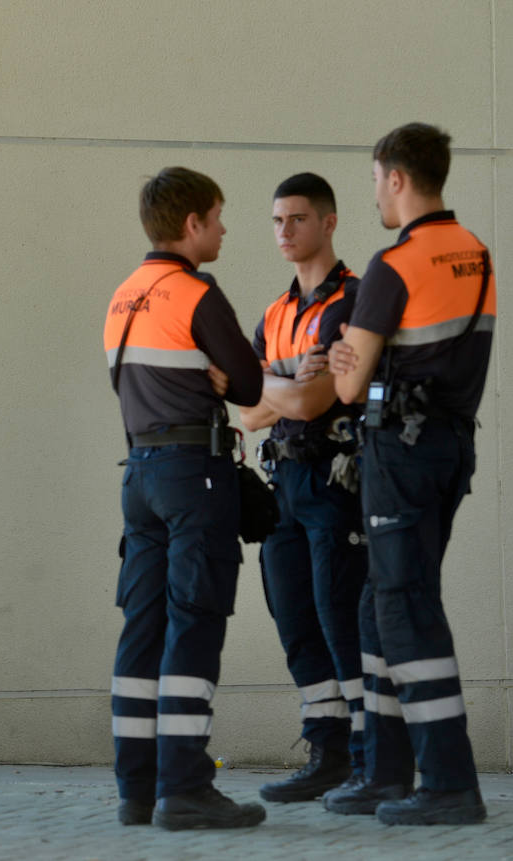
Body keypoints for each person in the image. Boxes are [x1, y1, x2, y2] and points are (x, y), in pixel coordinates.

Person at [327, 123, 494, 825]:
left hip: (399, 451)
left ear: (396, 177)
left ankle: (449, 781)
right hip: (450, 446)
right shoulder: (474, 253)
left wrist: (343, 356)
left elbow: (346, 384)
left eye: (374, 181)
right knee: (381, 603)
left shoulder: (394, 264)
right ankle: (387, 771)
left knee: (405, 605)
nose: (375, 195)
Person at [103, 167, 266, 830]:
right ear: (192, 224)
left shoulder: (124, 294)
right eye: (218, 217)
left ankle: (136, 789)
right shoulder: (195, 293)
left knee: (142, 628)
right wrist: (222, 374)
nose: (224, 228)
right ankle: (186, 787)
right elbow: (250, 383)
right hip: (193, 474)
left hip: (139, 475)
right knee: (194, 621)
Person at [236, 173, 367, 802]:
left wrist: (271, 381)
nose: (284, 233)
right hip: (282, 481)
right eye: (277, 221)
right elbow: (249, 412)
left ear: (329, 222)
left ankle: (373, 759)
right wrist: (287, 377)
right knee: (293, 617)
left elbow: (316, 402)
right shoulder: (276, 311)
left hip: (335, 480)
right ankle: (329, 751)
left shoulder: (356, 302)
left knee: (341, 617)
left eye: (297, 220)